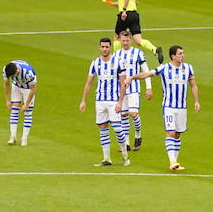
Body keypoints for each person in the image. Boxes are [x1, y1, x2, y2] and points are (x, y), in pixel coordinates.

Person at [130, 44, 199, 172]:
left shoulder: (188, 68)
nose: (182, 56)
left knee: (178, 134)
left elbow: (193, 85)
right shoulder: (164, 68)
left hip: (182, 107)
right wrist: (133, 77)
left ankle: (174, 163)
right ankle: (172, 161)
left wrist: (196, 101)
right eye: (180, 54)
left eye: (183, 53)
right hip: (168, 106)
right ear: (173, 56)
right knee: (170, 132)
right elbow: (147, 74)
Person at [78, 37, 129, 166]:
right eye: (102, 47)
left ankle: (125, 155)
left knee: (117, 129)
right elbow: (89, 83)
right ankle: (106, 158)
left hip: (113, 101)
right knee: (103, 129)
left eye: (107, 47)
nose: (104, 49)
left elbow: (123, 83)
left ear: (110, 47)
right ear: (99, 47)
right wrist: (83, 101)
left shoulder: (118, 62)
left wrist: (120, 102)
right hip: (100, 100)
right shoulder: (95, 63)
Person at [102, 0, 164, 65]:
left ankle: (116, 60)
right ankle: (154, 49)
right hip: (134, 15)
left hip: (125, 15)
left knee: (117, 37)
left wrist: (123, 9)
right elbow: (136, 2)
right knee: (138, 40)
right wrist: (118, 4)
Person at [114, 32, 152, 150]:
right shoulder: (116, 54)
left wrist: (149, 87)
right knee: (123, 115)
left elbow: (146, 70)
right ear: (120, 40)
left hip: (134, 88)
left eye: (127, 40)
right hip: (122, 89)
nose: (125, 43)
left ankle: (138, 135)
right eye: (123, 41)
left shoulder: (138, 53)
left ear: (130, 40)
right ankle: (126, 144)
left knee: (133, 114)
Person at [2, 59, 37, 146]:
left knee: (27, 112)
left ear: (17, 70)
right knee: (14, 109)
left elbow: (33, 88)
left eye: (14, 76)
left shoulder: (28, 73)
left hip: (28, 89)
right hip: (17, 86)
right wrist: (7, 100)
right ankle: (12, 136)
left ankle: (24, 139)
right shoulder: (6, 70)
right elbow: (6, 84)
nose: (13, 77)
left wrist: (26, 104)